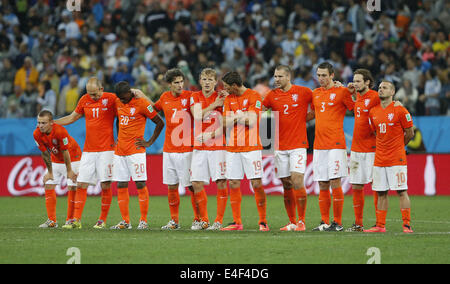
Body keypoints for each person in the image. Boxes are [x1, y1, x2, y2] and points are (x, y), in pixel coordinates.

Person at [55, 77, 118, 229]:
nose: (92, 97)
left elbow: (123, 116)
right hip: (89, 150)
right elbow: (72, 117)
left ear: (102, 89)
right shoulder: (84, 99)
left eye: (95, 94)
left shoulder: (112, 99)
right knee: (81, 183)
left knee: (105, 184)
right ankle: (76, 220)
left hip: (107, 150)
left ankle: (102, 220)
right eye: (90, 94)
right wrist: (54, 122)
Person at [262, 65, 312, 231]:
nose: (276, 79)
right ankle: (291, 221)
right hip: (279, 146)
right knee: (286, 183)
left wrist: (304, 119)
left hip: (298, 144)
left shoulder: (304, 92)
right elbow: (259, 112)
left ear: (288, 77)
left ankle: (302, 221)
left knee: (297, 179)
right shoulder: (271, 96)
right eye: (275, 76)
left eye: (280, 77)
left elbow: (319, 106)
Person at [110, 81, 164, 230]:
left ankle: (143, 220)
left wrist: (150, 142)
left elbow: (160, 122)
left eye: (124, 97)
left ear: (129, 93)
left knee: (140, 184)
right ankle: (125, 221)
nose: (122, 100)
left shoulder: (142, 104)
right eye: (119, 98)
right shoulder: (117, 102)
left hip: (136, 151)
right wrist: (118, 135)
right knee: (121, 184)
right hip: (120, 151)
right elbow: (119, 120)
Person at [221, 71, 268, 231]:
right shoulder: (229, 99)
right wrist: (240, 116)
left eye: (227, 87)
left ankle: (263, 221)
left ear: (234, 85)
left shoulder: (254, 96)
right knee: (233, 182)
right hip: (233, 147)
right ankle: (237, 222)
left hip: (251, 146)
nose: (225, 90)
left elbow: (253, 121)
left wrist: (234, 116)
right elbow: (224, 122)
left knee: (256, 183)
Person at [365, 81, 414, 233]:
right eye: (379, 87)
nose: (380, 90)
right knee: (381, 192)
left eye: (384, 87)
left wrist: (400, 146)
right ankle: (380, 225)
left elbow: (410, 132)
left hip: (396, 158)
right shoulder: (373, 111)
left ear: (392, 92)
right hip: (379, 158)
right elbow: (375, 133)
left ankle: (406, 224)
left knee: (401, 191)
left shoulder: (400, 110)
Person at [311, 62, 354, 232]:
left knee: (335, 181)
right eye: (318, 75)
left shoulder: (341, 92)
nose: (321, 78)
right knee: (322, 183)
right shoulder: (315, 93)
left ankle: (337, 222)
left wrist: (352, 91)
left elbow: (355, 108)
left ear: (332, 75)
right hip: (319, 145)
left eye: (324, 75)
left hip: (336, 144)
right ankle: (324, 222)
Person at [153, 68, 195, 230]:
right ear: (169, 84)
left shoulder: (190, 97)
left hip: (186, 149)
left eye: (181, 82)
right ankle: (174, 221)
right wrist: (141, 97)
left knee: (191, 186)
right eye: (176, 83)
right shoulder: (164, 97)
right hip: (169, 150)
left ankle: (199, 218)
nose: (179, 85)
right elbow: (152, 110)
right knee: (171, 186)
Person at [190, 68, 228, 230]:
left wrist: (210, 135)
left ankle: (218, 221)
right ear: (200, 81)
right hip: (199, 146)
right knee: (196, 182)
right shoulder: (195, 96)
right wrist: (214, 105)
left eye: (210, 80)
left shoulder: (223, 98)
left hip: (218, 146)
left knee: (220, 181)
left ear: (215, 82)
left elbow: (226, 124)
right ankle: (204, 220)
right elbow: (197, 116)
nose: (207, 83)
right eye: (204, 79)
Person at [33, 110, 81, 228]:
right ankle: (52, 221)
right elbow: (44, 153)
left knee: (72, 186)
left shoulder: (60, 131)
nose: (40, 126)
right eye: (39, 123)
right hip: (55, 159)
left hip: (73, 157)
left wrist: (69, 171)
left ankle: (70, 220)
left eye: (43, 123)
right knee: (48, 183)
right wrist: (49, 172)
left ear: (51, 123)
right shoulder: (37, 133)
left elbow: (65, 152)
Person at [346, 69, 380, 232]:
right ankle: (358, 223)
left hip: (372, 148)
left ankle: (379, 223)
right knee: (357, 185)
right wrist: (350, 93)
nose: (355, 83)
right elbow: (352, 106)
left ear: (367, 82)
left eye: (358, 81)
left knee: (376, 185)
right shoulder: (357, 97)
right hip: (356, 148)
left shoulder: (374, 97)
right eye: (354, 80)